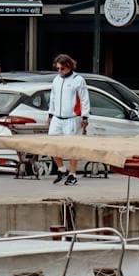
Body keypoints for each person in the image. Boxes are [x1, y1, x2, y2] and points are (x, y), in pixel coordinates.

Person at [46, 54, 90, 184]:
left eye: (62, 69)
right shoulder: (56, 79)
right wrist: (50, 114)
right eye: (58, 69)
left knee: (72, 147)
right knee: (51, 146)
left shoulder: (78, 80)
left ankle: (73, 174)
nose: (60, 71)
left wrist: (85, 117)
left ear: (69, 67)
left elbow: (84, 99)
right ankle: (61, 168)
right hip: (57, 118)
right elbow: (52, 97)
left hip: (72, 118)